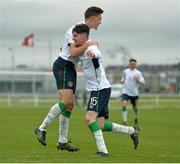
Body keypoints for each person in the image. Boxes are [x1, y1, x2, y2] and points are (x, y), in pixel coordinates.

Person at [34, 6, 104, 152]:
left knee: (70, 105)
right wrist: (88, 45)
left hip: (70, 68)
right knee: (66, 101)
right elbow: (72, 52)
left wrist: (91, 45)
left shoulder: (86, 35)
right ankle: (41, 128)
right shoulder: (75, 30)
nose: (100, 22)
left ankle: (62, 142)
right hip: (63, 66)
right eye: (99, 18)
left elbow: (85, 49)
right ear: (92, 18)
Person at [72, 24, 140, 157]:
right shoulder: (82, 48)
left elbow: (96, 52)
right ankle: (132, 131)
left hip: (99, 89)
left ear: (83, 36)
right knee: (101, 125)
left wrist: (93, 54)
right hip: (99, 88)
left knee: (89, 119)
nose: (73, 39)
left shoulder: (91, 48)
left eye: (75, 36)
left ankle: (103, 151)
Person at [120, 58, 145, 126]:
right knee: (124, 104)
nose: (133, 65)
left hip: (134, 93)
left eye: (134, 64)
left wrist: (138, 79)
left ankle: (136, 118)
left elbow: (143, 82)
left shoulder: (138, 73)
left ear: (136, 65)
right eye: (131, 64)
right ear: (129, 64)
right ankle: (124, 121)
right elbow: (123, 78)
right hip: (126, 91)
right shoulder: (125, 71)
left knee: (135, 108)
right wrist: (122, 81)